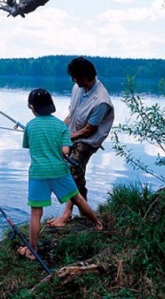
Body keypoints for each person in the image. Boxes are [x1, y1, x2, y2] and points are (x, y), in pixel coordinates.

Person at [17, 88, 103, 260]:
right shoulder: (60, 126)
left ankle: (32, 251)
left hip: (38, 173)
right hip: (59, 171)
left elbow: (28, 145)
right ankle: (98, 224)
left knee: (36, 212)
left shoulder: (30, 126)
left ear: (31, 107)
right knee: (77, 198)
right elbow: (65, 150)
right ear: (51, 105)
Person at [47, 57, 115, 227]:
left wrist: (66, 138)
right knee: (70, 170)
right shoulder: (78, 88)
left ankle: (71, 214)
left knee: (73, 169)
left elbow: (89, 130)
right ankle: (78, 210)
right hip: (73, 133)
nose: (73, 80)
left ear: (85, 76)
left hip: (88, 140)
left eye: (75, 77)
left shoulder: (101, 101)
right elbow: (72, 115)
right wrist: (59, 130)